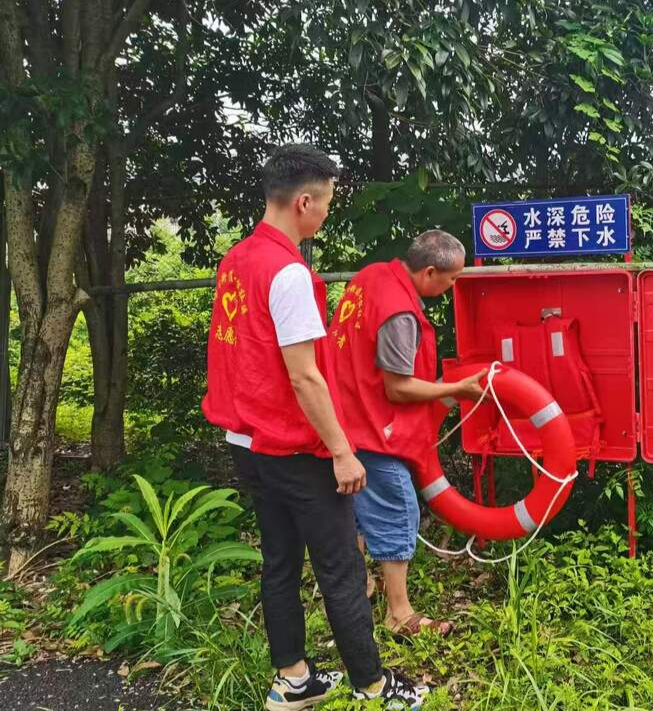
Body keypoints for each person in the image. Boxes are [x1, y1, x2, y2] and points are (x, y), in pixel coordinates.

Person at [202, 144, 428, 711]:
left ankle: (293, 679)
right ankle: (375, 686)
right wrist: (342, 451)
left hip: (246, 441)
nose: (325, 215)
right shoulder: (288, 273)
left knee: (279, 560)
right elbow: (304, 377)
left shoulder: (238, 259)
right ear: (305, 200)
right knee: (341, 568)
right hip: (293, 445)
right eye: (325, 204)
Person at [328, 230, 484, 638]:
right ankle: (399, 614)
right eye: (450, 280)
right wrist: (456, 389)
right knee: (398, 510)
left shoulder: (370, 277)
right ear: (430, 271)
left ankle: (358, 588)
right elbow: (398, 386)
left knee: (356, 512)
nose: (453, 287)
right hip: (374, 425)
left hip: (344, 417)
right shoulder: (400, 313)